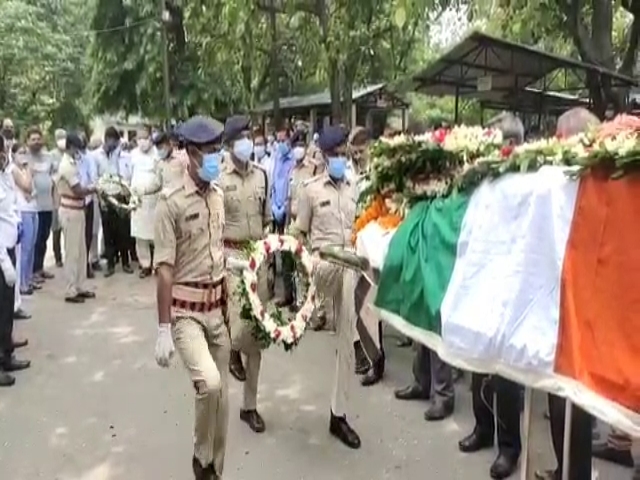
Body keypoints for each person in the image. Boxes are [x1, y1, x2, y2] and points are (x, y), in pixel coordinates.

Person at [154, 115, 229, 480]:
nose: (218, 156)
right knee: (209, 384)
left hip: (217, 312)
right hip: (186, 316)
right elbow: (164, 268)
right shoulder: (170, 203)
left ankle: (216, 468)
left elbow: (217, 252)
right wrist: (163, 328)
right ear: (192, 154)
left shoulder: (218, 196)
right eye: (212, 151)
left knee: (223, 402)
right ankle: (201, 462)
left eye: (220, 148)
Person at [535, 107, 600, 480]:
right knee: (562, 403)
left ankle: (575, 473)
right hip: (561, 307)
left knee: (572, 404)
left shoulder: (595, 184)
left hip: (579, 314)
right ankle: (568, 470)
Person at [294, 125, 361, 449]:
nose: (340, 159)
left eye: (343, 154)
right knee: (344, 265)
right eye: (334, 155)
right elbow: (298, 233)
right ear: (323, 155)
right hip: (323, 267)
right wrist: (303, 268)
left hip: (349, 267)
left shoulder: (354, 188)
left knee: (346, 338)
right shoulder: (310, 190)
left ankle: (339, 415)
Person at [219, 115, 271, 433]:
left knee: (257, 337)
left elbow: (266, 219)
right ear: (229, 144)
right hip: (230, 256)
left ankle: (249, 406)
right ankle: (231, 355)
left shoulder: (261, 175)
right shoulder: (218, 180)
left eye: (250, 135)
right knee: (237, 329)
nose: (248, 141)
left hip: (257, 256)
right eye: (242, 136)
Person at [0, 135, 31, 387]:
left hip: (8, 247)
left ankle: (6, 354)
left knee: (6, 310)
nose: (5, 156)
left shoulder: (4, 176)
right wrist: (3, 260)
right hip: (0, 255)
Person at [55, 132, 97, 304]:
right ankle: (70, 289)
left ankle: (80, 285)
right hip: (70, 210)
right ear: (71, 147)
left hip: (78, 210)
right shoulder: (67, 165)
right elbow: (78, 190)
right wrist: (94, 188)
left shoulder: (73, 162)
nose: (79, 152)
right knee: (72, 252)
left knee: (81, 251)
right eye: (77, 149)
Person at [96, 126, 133, 277]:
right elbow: (96, 179)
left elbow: (127, 175)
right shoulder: (97, 156)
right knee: (108, 232)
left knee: (123, 231)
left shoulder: (124, 156)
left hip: (120, 196)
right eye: (112, 141)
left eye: (116, 142)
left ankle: (125, 262)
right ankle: (110, 264)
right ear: (106, 140)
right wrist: (102, 198)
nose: (114, 145)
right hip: (105, 198)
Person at [26, 126, 56, 283]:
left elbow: (54, 174)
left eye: (38, 139)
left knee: (44, 238)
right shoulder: (24, 158)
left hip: (47, 204)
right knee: (34, 240)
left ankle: (40, 267)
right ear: (27, 141)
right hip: (32, 206)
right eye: (33, 140)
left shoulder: (48, 156)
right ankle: (32, 271)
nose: (36, 142)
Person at [270, 126, 296, 308]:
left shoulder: (294, 160)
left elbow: (293, 188)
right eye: (277, 141)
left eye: (283, 141)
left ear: (289, 141)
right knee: (282, 254)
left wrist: (286, 207)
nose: (280, 144)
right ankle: (287, 295)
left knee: (293, 256)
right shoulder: (277, 159)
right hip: (277, 211)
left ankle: (297, 296)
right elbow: (274, 184)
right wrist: (274, 206)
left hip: (290, 214)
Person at [129, 125, 158, 278]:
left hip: (154, 199)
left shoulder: (157, 154)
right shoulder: (132, 154)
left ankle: (157, 264)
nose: (142, 141)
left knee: (156, 234)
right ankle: (145, 264)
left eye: (144, 138)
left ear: (150, 138)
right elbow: (128, 174)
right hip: (137, 200)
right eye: (139, 138)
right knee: (140, 235)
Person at [11, 148, 39, 296]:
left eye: (25, 152)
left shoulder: (27, 169)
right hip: (23, 210)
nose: (23, 155)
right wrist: (28, 170)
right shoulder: (15, 170)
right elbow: (27, 186)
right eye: (20, 152)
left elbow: (34, 191)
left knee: (32, 247)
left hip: (33, 209)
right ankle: (21, 283)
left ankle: (28, 279)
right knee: (25, 249)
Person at [78, 135, 99, 279]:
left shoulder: (90, 158)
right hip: (76, 201)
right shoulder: (71, 160)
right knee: (78, 236)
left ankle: (86, 263)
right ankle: (80, 266)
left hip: (88, 200)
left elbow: (93, 178)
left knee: (88, 234)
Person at [51, 129, 67, 268]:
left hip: (67, 196)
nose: (62, 139)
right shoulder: (52, 155)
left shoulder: (69, 154)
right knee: (56, 230)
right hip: (56, 196)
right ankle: (57, 257)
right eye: (59, 137)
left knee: (68, 229)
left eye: (64, 137)